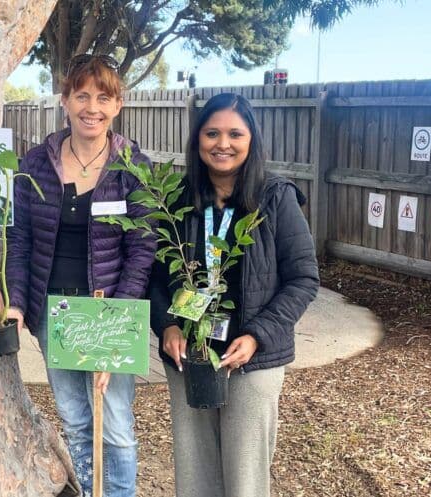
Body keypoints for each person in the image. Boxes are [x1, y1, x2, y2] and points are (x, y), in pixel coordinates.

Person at [149, 93, 319, 497]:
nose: (222, 143)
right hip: (190, 354)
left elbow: (303, 279)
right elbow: (154, 279)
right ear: (198, 140)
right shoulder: (177, 199)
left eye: (234, 134)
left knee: (244, 479)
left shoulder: (276, 198)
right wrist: (168, 325)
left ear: (251, 140)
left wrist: (258, 334)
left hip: (251, 360)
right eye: (212, 133)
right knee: (195, 471)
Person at [5, 54, 157, 497]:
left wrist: (117, 326)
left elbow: (142, 248)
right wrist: (16, 301)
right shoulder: (36, 164)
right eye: (82, 95)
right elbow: (20, 239)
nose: (92, 107)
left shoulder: (132, 167)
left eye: (103, 97)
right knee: (75, 420)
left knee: (115, 426)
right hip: (55, 311)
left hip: (107, 311)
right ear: (65, 100)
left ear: (118, 105)